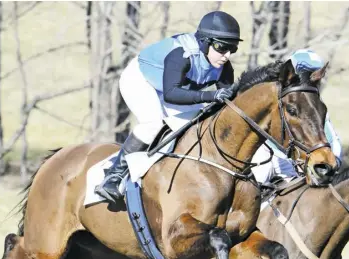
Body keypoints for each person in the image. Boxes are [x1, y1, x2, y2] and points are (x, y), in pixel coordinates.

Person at [95, 11, 242, 203]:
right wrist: (212, 95)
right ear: (206, 42)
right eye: (222, 47)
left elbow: (228, 106)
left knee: (196, 124)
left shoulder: (224, 66)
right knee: (153, 125)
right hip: (141, 80)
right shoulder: (181, 55)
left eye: (233, 49)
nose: (227, 55)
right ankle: (113, 176)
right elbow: (172, 94)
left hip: (171, 88)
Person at [252, 49, 342, 186]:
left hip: (291, 161)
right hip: (264, 151)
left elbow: (333, 139)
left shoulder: (315, 107)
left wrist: (334, 159)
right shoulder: (273, 94)